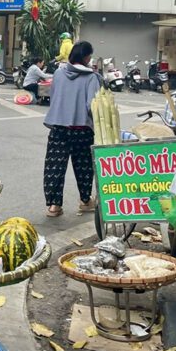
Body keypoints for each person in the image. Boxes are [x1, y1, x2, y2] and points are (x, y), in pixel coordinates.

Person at [42, 40, 102, 218]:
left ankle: (54, 206)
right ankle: (85, 201)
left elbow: (54, 97)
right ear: (87, 57)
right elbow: (92, 105)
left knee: (55, 166)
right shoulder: (91, 77)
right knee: (84, 166)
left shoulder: (58, 73)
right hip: (82, 129)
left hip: (58, 127)